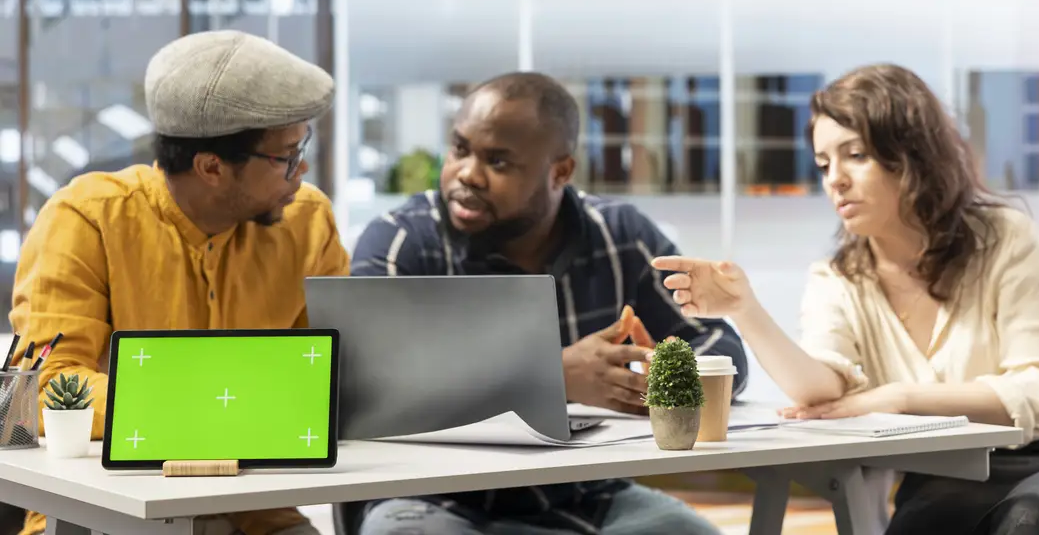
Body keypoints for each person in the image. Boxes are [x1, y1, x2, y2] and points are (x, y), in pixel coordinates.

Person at [653, 64, 1039, 535]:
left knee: (1031, 520)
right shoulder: (839, 278)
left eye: (856, 155)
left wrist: (898, 397)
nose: (835, 179)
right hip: (945, 477)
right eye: (824, 162)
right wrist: (746, 309)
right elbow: (820, 390)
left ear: (911, 154)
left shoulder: (1005, 238)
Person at [351, 71, 748, 535]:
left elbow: (721, 346)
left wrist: (653, 371)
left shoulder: (620, 235)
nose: (467, 174)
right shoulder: (400, 241)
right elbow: (367, 389)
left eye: (498, 162)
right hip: (429, 499)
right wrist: (553, 377)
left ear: (560, 171)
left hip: (584, 496)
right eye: (460, 149)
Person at [10, 30, 349, 535]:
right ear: (211, 166)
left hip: (257, 508)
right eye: (285, 156)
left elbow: (334, 378)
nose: (301, 169)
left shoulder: (309, 220)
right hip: (107, 510)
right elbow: (45, 386)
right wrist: (221, 408)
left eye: (303, 146)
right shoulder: (88, 217)